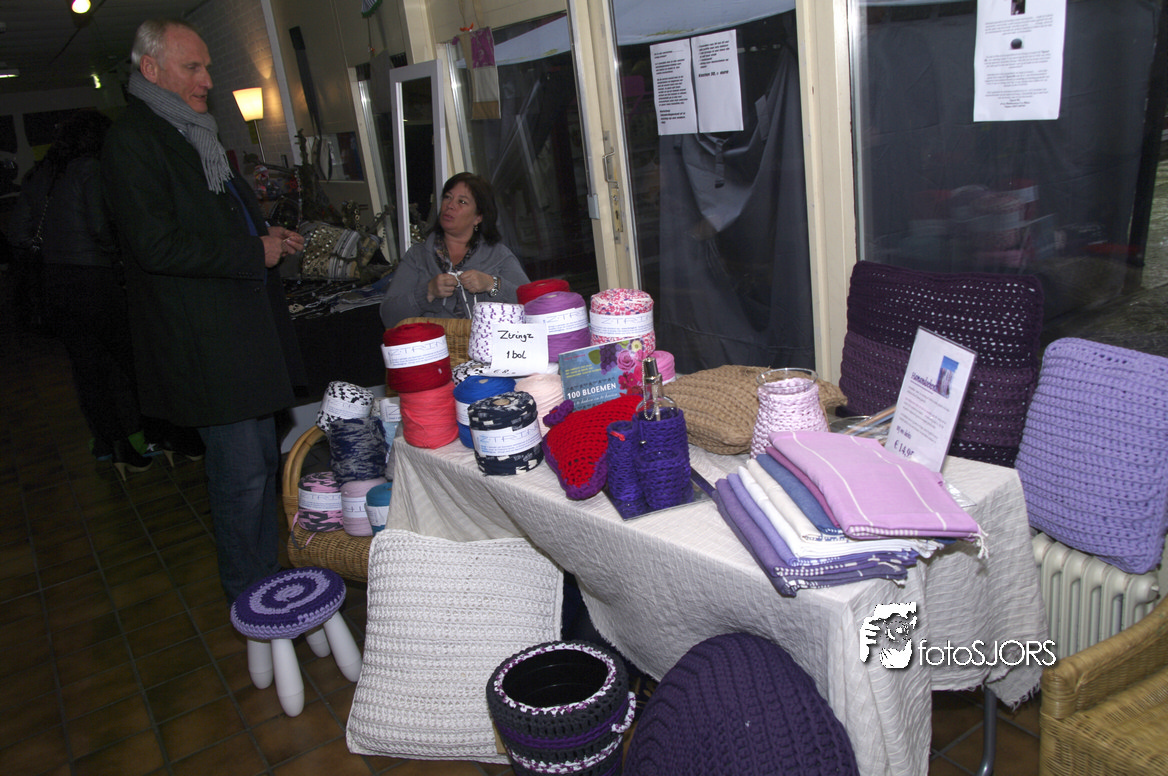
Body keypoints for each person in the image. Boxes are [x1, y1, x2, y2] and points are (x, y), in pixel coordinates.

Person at [101, 18, 306, 602]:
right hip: (206, 345)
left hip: (237, 335)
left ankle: (264, 577)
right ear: (151, 69)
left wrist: (264, 233)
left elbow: (209, 220)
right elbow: (156, 246)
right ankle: (249, 595)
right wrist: (251, 251)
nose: (208, 80)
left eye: (207, 67)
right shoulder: (134, 140)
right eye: (192, 67)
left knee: (259, 464)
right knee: (241, 475)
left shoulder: (194, 133)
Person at [8, 110, 154, 479]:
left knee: (87, 369)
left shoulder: (38, 175)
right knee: (129, 362)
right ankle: (152, 434)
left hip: (56, 283)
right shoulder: (90, 169)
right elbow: (100, 227)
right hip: (94, 280)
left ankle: (111, 445)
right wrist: (115, 252)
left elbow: (18, 233)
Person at [379, 172, 530, 327]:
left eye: (462, 201)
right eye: (447, 197)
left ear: (478, 217)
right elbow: (388, 317)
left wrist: (493, 284)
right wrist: (427, 293)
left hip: (489, 342)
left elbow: (532, 305)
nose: (450, 205)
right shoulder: (417, 256)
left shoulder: (498, 255)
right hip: (436, 342)